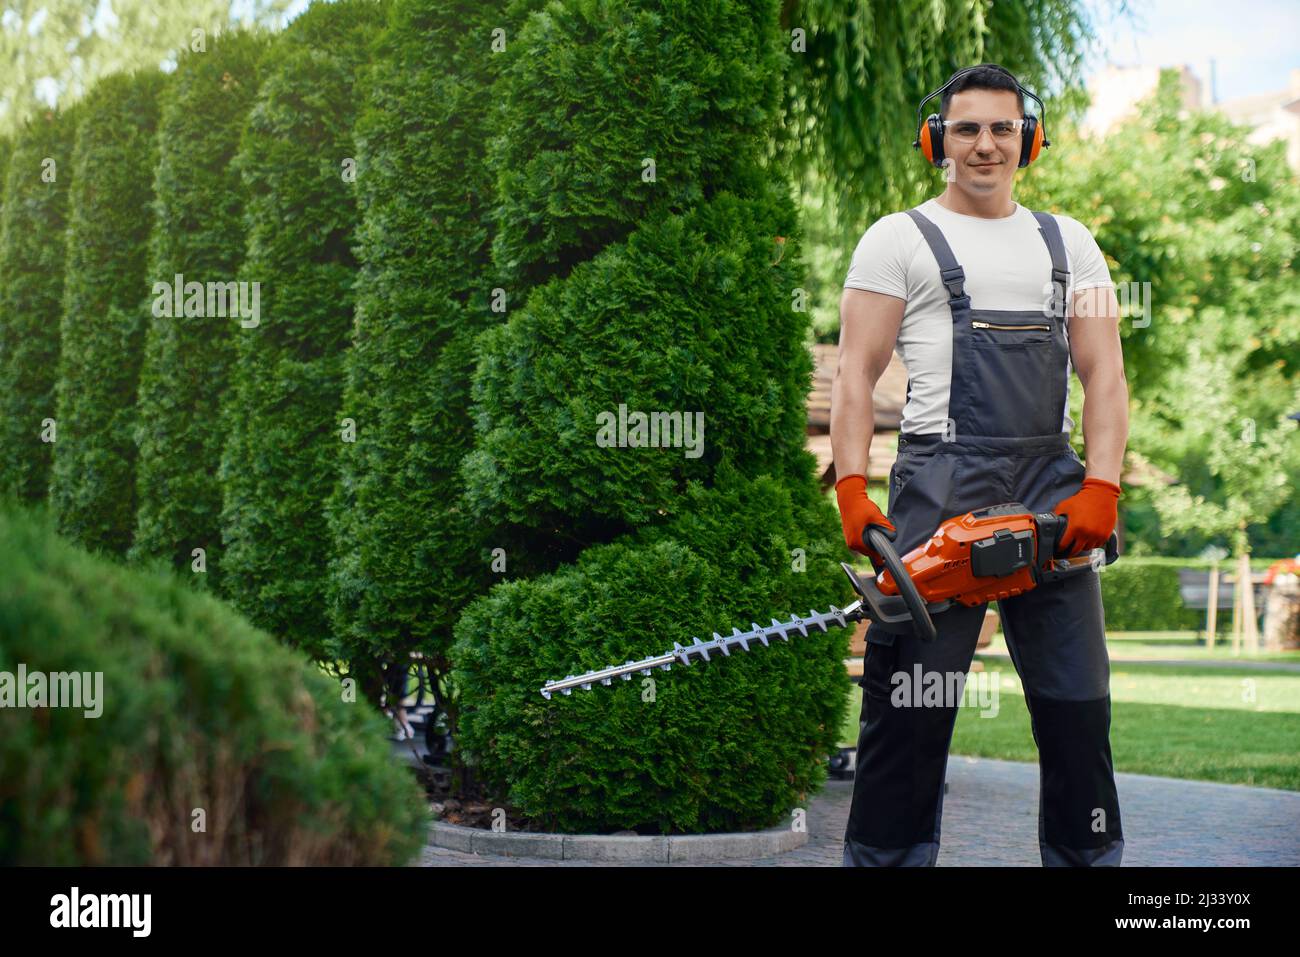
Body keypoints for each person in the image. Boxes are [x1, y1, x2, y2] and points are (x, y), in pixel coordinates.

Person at [830, 64, 1129, 866]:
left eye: (1002, 127)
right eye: (966, 128)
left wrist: (1102, 484)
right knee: (908, 715)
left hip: (1055, 501)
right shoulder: (897, 238)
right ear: (938, 141)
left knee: (1077, 715)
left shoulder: (1072, 244)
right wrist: (853, 487)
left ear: (1027, 138)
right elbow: (856, 371)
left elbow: (1105, 375)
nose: (985, 144)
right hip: (937, 490)